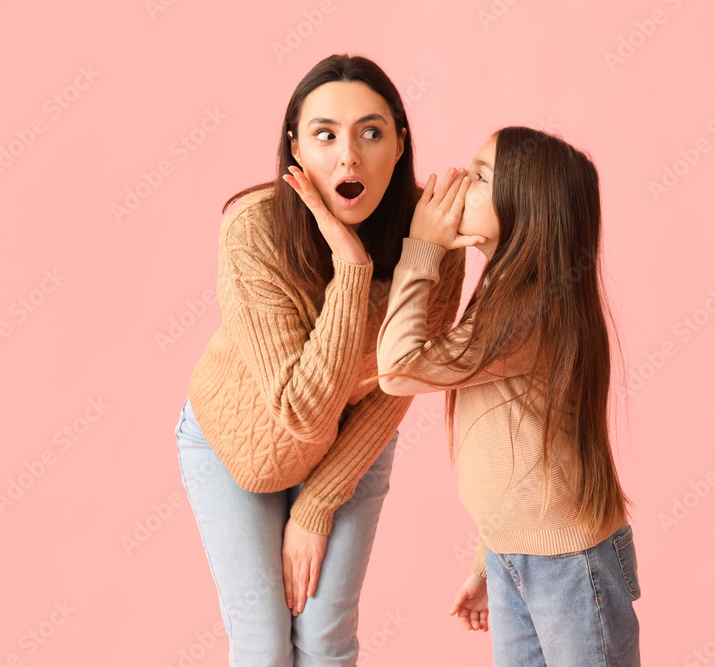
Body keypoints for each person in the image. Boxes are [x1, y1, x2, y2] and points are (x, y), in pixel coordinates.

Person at [174, 54, 465, 666]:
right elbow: (300, 410)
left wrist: (316, 506)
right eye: (325, 134)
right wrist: (352, 269)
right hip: (238, 444)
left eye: (371, 132)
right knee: (263, 646)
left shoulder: (431, 240)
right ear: (296, 149)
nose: (348, 157)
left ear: (400, 144)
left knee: (327, 642)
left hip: (352, 444)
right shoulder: (251, 230)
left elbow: (397, 382)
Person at [375, 127, 642, 666]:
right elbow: (520, 449)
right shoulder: (504, 294)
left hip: (569, 562)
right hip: (516, 554)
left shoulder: (531, 310)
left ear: (527, 207)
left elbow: (398, 367)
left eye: (478, 177)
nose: (456, 183)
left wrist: (422, 250)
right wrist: (489, 556)